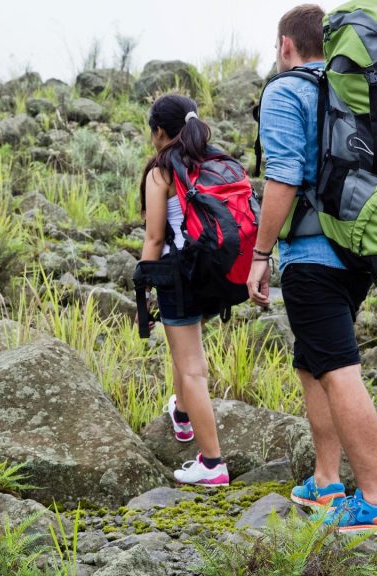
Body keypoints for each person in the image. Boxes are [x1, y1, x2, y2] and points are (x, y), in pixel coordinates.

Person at [246, 4, 377, 535]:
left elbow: (281, 179)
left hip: (312, 257)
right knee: (312, 363)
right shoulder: (360, 91)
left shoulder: (286, 91)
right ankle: (326, 482)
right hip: (358, 250)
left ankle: (376, 503)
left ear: (286, 45)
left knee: (336, 368)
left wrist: (260, 255)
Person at [138, 94, 229, 487]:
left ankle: (212, 463)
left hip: (179, 273)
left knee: (192, 368)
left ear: (159, 132)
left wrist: (144, 277)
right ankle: (181, 414)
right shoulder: (212, 161)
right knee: (185, 345)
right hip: (213, 271)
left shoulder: (161, 172)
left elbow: (156, 237)